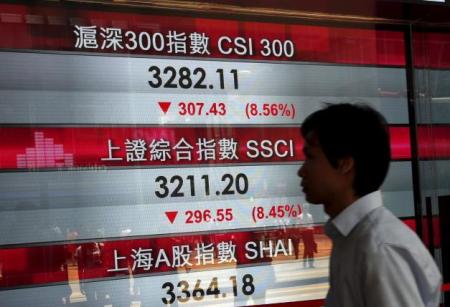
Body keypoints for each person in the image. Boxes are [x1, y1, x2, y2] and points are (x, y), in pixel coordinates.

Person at [297, 103, 442, 306]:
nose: (301, 171)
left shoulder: (379, 248)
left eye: (310, 157)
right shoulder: (354, 238)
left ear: (344, 164)